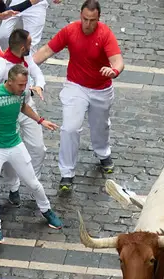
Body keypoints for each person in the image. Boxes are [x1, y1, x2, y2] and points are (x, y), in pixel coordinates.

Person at [0, 64, 62, 244]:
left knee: (33, 183)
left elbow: (23, 107)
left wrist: (41, 120)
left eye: (25, 85)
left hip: (15, 144)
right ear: (9, 82)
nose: (24, 88)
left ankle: (47, 210)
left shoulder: (21, 93)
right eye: (20, 85)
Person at [33, 0, 124, 191]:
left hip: (101, 89)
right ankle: (67, 173)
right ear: (80, 15)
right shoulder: (70, 31)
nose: (88, 24)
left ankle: (102, 152)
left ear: (99, 19)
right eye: (85, 19)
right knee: (70, 128)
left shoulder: (105, 34)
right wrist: (26, 68)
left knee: (100, 126)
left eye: (92, 20)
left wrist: (114, 71)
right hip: (76, 86)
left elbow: (117, 60)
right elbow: (47, 50)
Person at [0, 28, 47, 208]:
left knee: (38, 148)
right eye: (29, 44)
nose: (31, 46)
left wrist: (39, 85)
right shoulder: (0, 65)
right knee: (8, 153)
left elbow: (37, 74)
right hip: (5, 113)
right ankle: (13, 187)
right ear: (21, 47)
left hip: (26, 107)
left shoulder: (26, 58)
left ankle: (34, 181)